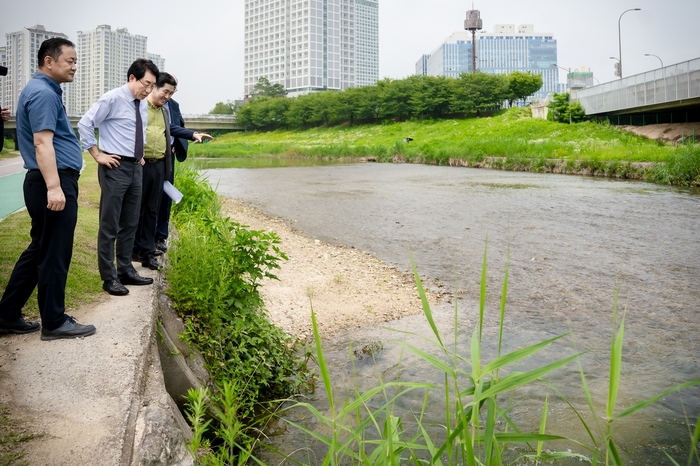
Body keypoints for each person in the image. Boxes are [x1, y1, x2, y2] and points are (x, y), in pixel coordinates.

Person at [0, 38, 96, 340]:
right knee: (55, 252)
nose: (75, 66)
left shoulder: (43, 90)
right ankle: (54, 322)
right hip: (50, 181)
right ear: (49, 61)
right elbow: (42, 143)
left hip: (47, 180)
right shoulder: (43, 93)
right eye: (69, 60)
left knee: (40, 249)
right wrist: (55, 187)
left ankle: (6, 315)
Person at [78, 58, 159, 296]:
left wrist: (139, 155)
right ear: (132, 78)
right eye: (146, 84)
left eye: (152, 85)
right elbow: (85, 123)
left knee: (131, 222)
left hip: (135, 167)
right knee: (110, 224)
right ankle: (109, 277)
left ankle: (126, 270)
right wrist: (96, 154)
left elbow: (134, 132)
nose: (149, 90)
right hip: (115, 167)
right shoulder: (112, 98)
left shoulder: (142, 103)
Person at [154, 78, 212, 255]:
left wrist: (177, 142)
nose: (169, 95)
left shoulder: (174, 104)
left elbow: (176, 126)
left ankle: (161, 237)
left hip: (167, 157)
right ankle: (145, 239)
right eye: (167, 90)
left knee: (166, 198)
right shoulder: (147, 104)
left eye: (172, 91)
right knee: (150, 200)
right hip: (150, 156)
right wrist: (191, 134)